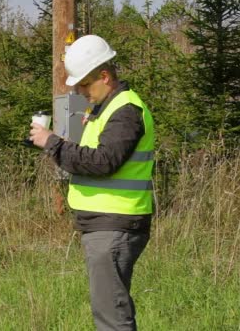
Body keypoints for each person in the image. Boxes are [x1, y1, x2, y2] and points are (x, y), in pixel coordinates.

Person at [29, 34, 154, 331]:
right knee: (108, 309)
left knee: (111, 317)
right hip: (105, 224)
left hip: (115, 224)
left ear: (105, 76)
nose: (82, 90)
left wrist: (54, 144)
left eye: (85, 84)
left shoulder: (125, 111)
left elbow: (102, 162)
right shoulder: (106, 109)